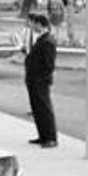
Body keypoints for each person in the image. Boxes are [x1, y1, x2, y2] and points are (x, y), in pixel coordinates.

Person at [24, 12, 57, 148]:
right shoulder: (41, 39)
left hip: (40, 81)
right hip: (33, 79)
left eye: (35, 24)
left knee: (44, 108)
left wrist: (41, 78)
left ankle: (50, 137)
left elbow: (49, 65)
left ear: (40, 25)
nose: (33, 26)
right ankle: (42, 135)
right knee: (37, 109)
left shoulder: (47, 41)